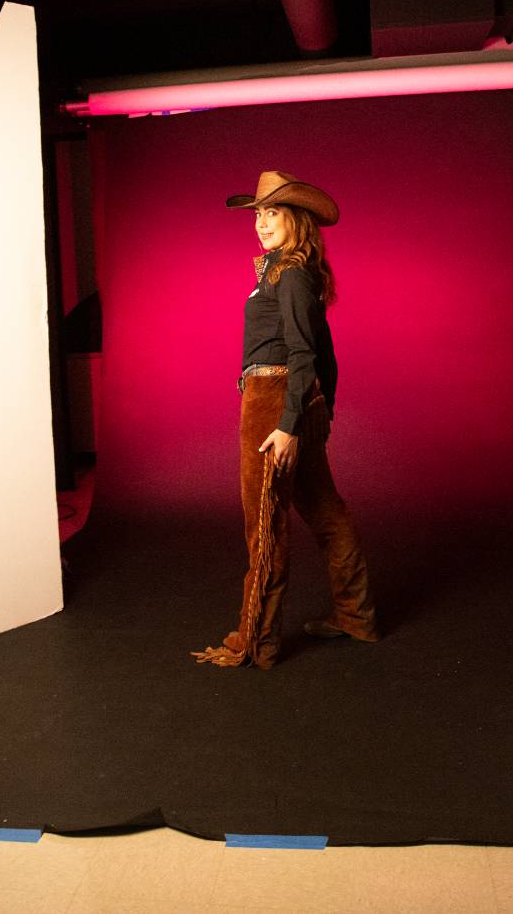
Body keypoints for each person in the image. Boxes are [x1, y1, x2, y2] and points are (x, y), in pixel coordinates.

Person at [193, 170, 380, 669]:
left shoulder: (289, 274)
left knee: (264, 522)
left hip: (273, 402)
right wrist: (322, 410)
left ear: (296, 219)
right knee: (326, 511)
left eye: (272, 212)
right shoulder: (286, 272)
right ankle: (356, 617)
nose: (261, 223)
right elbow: (326, 353)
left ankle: (260, 641)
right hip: (291, 402)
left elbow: (303, 353)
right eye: (257, 213)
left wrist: (291, 422)